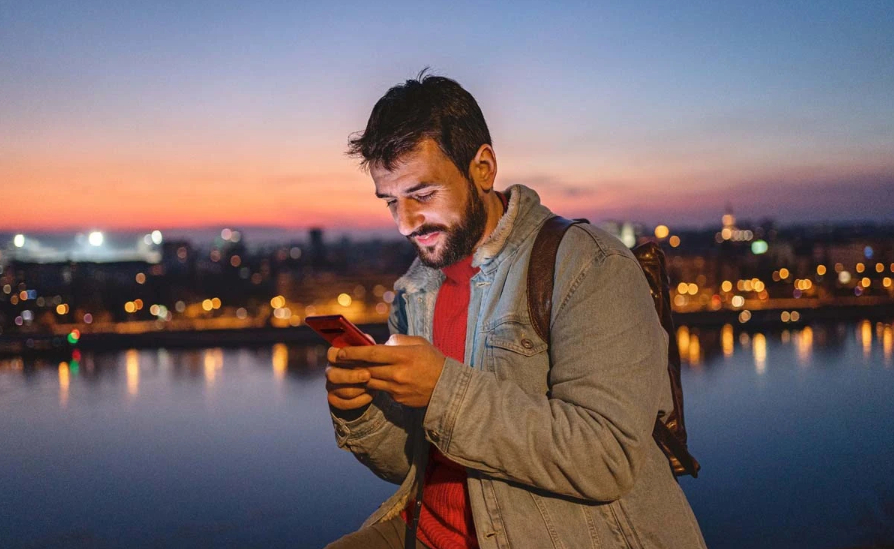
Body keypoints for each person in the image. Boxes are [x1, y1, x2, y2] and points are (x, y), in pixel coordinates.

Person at [324, 71, 707, 549]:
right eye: (391, 202)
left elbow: (605, 458)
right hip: (429, 529)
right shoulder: (415, 291)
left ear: (482, 168)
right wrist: (359, 410)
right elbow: (412, 463)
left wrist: (443, 388)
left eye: (422, 195)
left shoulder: (589, 263)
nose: (405, 223)